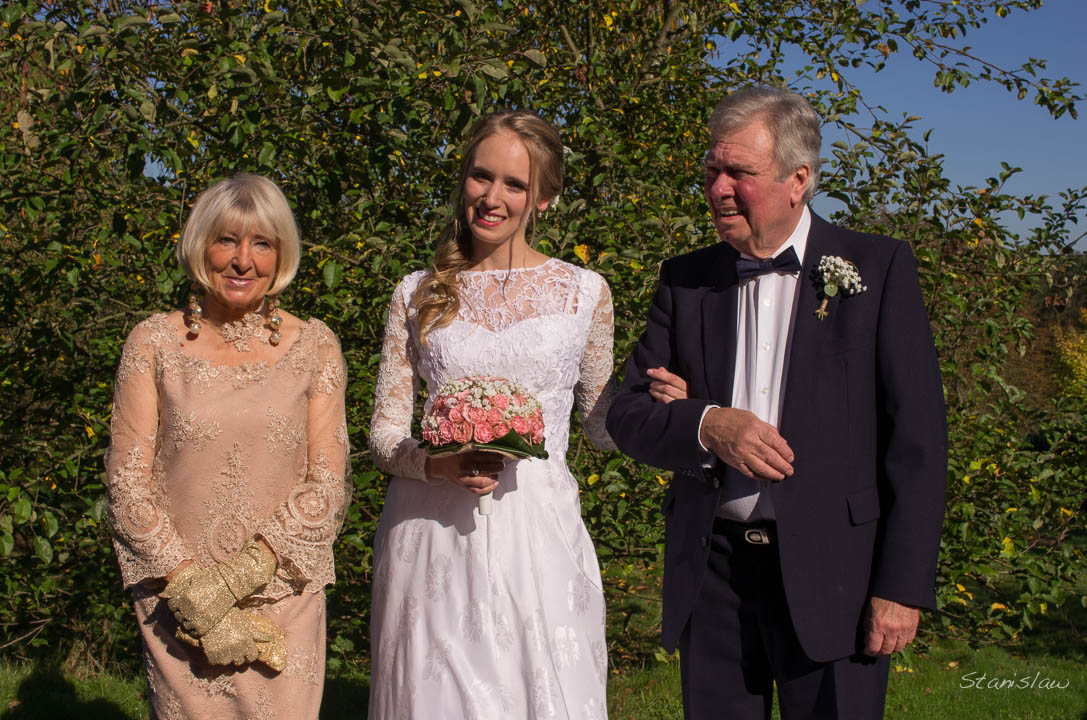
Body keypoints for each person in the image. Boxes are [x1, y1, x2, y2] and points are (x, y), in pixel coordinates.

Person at [606, 86, 948, 719]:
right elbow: (626, 414)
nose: (718, 189)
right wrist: (706, 423)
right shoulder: (685, 279)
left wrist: (900, 587)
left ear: (799, 180)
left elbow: (917, 442)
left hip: (838, 579)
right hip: (713, 575)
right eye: (712, 170)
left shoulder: (876, 269)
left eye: (740, 172)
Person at [366, 109, 622, 719]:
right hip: (433, 533)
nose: (492, 197)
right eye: (482, 176)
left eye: (514, 184)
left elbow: (602, 428)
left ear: (544, 198)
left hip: (539, 532)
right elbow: (382, 435)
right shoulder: (416, 293)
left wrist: (672, 401)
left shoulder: (586, 292)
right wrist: (437, 465)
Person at [105, 174, 350, 718]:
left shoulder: (315, 347)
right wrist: (195, 595)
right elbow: (126, 483)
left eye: (261, 243)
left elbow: (327, 484)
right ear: (201, 245)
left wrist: (235, 580)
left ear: (281, 254)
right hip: (177, 607)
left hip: (282, 597)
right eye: (227, 240)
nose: (243, 260)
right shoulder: (152, 343)